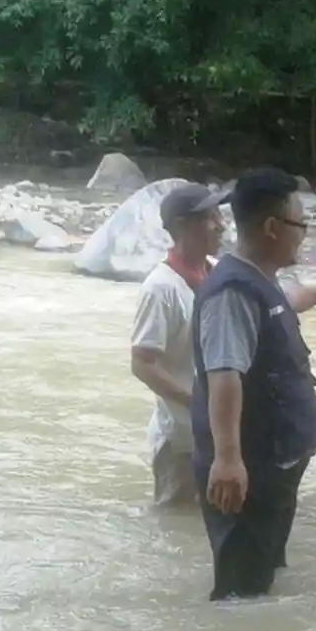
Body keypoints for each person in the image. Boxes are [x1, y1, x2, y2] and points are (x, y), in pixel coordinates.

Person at [190, 167, 316, 601]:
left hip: (272, 462)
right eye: (301, 225)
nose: (304, 236)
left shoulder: (258, 281)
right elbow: (224, 375)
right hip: (248, 468)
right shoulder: (231, 293)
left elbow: (278, 306)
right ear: (273, 228)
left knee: (261, 580)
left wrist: (315, 292)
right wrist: (227, 460)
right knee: (242, 595)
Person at [130, 183, 229, 507]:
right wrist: (198, 401)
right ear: (182, 226)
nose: (221, 224)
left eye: (220, 214)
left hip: (222, 436)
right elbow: (143, 364)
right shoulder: (160, 289)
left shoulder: (219, 274)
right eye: (210, 217)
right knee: (178, 532)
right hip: (182, 440)